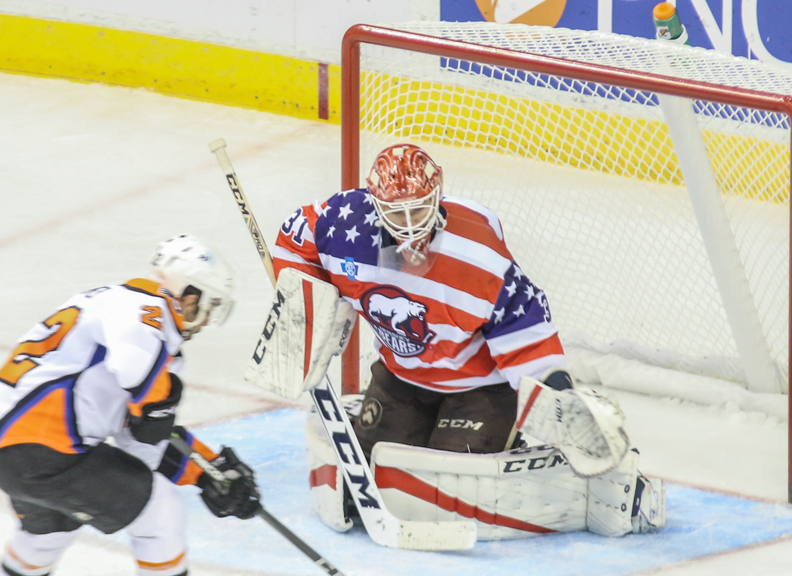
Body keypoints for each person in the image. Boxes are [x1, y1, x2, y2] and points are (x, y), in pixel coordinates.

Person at [265, 143, 664, 540]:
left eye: (418, 209)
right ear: (374, 203)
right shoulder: (344, 226)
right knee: (373, 467)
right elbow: (296, 238)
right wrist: (305, 305)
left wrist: (557, 393)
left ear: (437, 196)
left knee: (450, 481)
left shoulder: (478, 256)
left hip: (479, 388)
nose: (408, 225)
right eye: (395, 212)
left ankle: (571, 469)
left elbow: (524, 330)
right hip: (401, 376)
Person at [0, 234, 262, 576]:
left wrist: (207, 470)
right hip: (45, 450)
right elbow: (147, 415)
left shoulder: (110, 299)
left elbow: (136, 433)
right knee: (159, 510)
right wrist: (197, 467)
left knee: (51, 523)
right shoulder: (146, 313)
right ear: (186, 292)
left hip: (0, 446)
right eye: (206, 305)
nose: (204, 320)